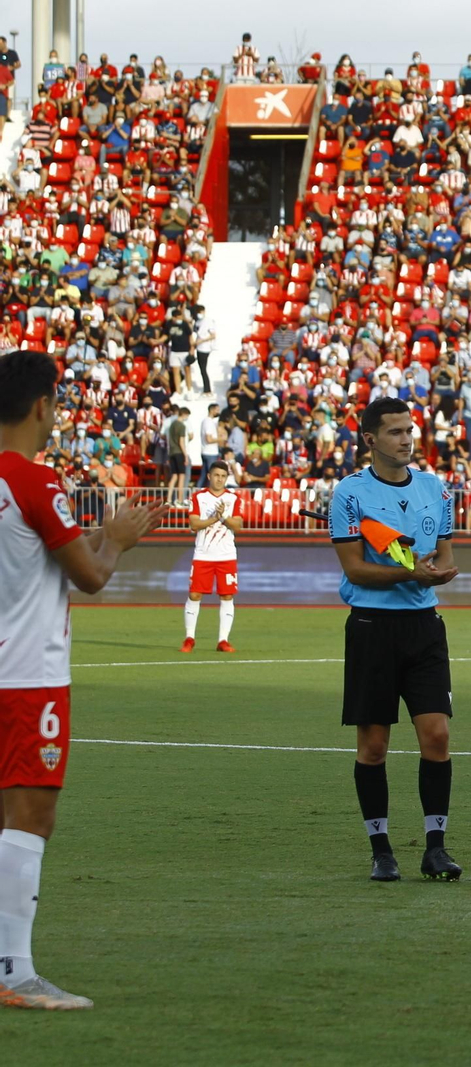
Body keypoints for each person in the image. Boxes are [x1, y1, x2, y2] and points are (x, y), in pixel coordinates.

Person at [0, 349, 164, 1010]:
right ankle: (14, 969)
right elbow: (90, 577)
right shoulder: (35, 482)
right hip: (29, 673)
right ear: (42, 405)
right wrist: (117, 537)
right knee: (31, 811)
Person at [330, 397, 462, 883]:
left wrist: (430, 571)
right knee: (374, 746)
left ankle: (436, 847)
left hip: (424, 627)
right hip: (371, 628)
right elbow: (354, 569)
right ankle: (381, 849)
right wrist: (408, 574)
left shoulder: (436, 488)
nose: (407, 439)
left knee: (438, 735)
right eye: (395, 432)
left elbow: (442, 552)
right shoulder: (349, 494)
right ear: (369, 439)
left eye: (410, 430)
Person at [184, 461, 243, 654]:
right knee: (195, 594)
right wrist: (214, 519)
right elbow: (194, 523)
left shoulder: (233, 499)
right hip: (203, 554)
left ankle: (223, 640)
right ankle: (189, 638)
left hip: (226, 555)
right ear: (209, 476)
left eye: (223, 476)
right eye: (216, 475)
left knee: (227, 595)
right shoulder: (198, 497)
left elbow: (237, 525)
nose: (219, 479)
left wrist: (224, 517)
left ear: (227, 478)